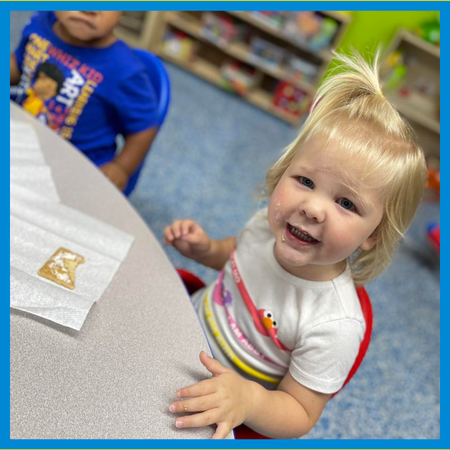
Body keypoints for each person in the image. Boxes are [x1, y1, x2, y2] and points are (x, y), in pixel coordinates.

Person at [164, 50, 427, 439]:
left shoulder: (334, 324)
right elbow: (234, 259)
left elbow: (300, 413)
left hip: (221, 402)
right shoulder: (264, 228)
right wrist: (203, 249)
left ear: (373, 235)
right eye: (305, 181)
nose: (313, 207)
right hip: (180, 329)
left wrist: (248, 401)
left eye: (346, 203)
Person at [10, 11, 159, 194]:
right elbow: (20, 66)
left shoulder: (124, 70)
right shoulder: (39, 22)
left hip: (73, 173)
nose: (89, 9)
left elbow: (145, 127)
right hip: (20, 140)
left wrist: (122, 168)